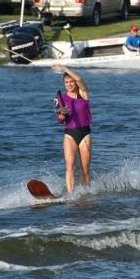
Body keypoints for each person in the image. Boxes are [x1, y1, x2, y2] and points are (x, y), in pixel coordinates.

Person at [53, 65, 92, 195]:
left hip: (85, 134)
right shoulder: (61, 98)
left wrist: (65, 68)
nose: (69, 84)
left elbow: (80, 78)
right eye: (66, 82)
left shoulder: (83, 94)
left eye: (71, 82)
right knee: (70, 166)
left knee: (85, 168)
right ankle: (71, 195)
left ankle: (85, 193)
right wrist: (63, 113)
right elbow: (59, 119)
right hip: (70, 134)